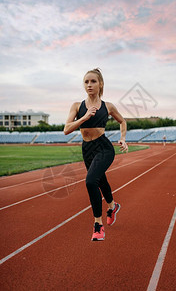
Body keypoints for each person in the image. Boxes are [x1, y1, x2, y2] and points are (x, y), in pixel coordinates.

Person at [64, 68, 128, 241]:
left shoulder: (108, 106)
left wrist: (123, 138)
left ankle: (98, 225)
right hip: (87, 149)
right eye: (86, 82)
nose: (89, 85)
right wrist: (84, 118)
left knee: (91, 181)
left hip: (104, 148)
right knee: (100, 180)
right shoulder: (77, 106)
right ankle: (112, 207)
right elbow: (66, 130)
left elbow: (122, 121)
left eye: (93, 81)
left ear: (100, 84)